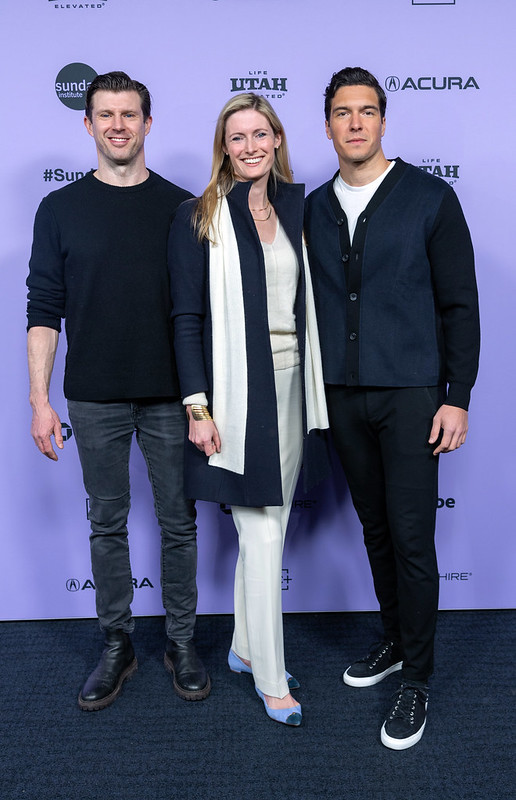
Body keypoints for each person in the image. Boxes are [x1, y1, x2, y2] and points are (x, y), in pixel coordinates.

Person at [304, 67, 480, 749]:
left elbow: (460, 306)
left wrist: (456, 398)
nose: (355, 122)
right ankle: (395, 640)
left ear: (383, 120)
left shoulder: (431, 198)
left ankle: (419, 680)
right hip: (343, 397)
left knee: (411, 538)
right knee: (375, 529)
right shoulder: (314, 207)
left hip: (411, 398)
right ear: (327, 125)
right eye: (342, 112)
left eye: (367, 111)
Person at [26, 71, 210, 711]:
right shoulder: (60, 210)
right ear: (88, 124)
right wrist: (39, 401)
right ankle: (117, 644)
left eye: (129, 114)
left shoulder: (185, 208)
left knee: (177, 524)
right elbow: (43, 310)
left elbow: (203, 311)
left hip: (170, 396)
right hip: (94, 398)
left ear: (148, 124)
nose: (117, 125)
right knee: (106, 523)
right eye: (105, 115)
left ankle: (182, 641)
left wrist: (202, 399)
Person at [168, 93, 328, 726]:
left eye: (261, 134)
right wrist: (197, 407)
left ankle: (240, 646)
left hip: (294, 384)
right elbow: (185, 319)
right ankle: (270, 677)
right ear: (223, 147)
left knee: (271, 525)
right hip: (236, 392)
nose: (251, 146)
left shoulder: (296, 206)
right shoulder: (199, 214)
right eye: (238, 137)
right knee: (261, 531)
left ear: (278, 139)